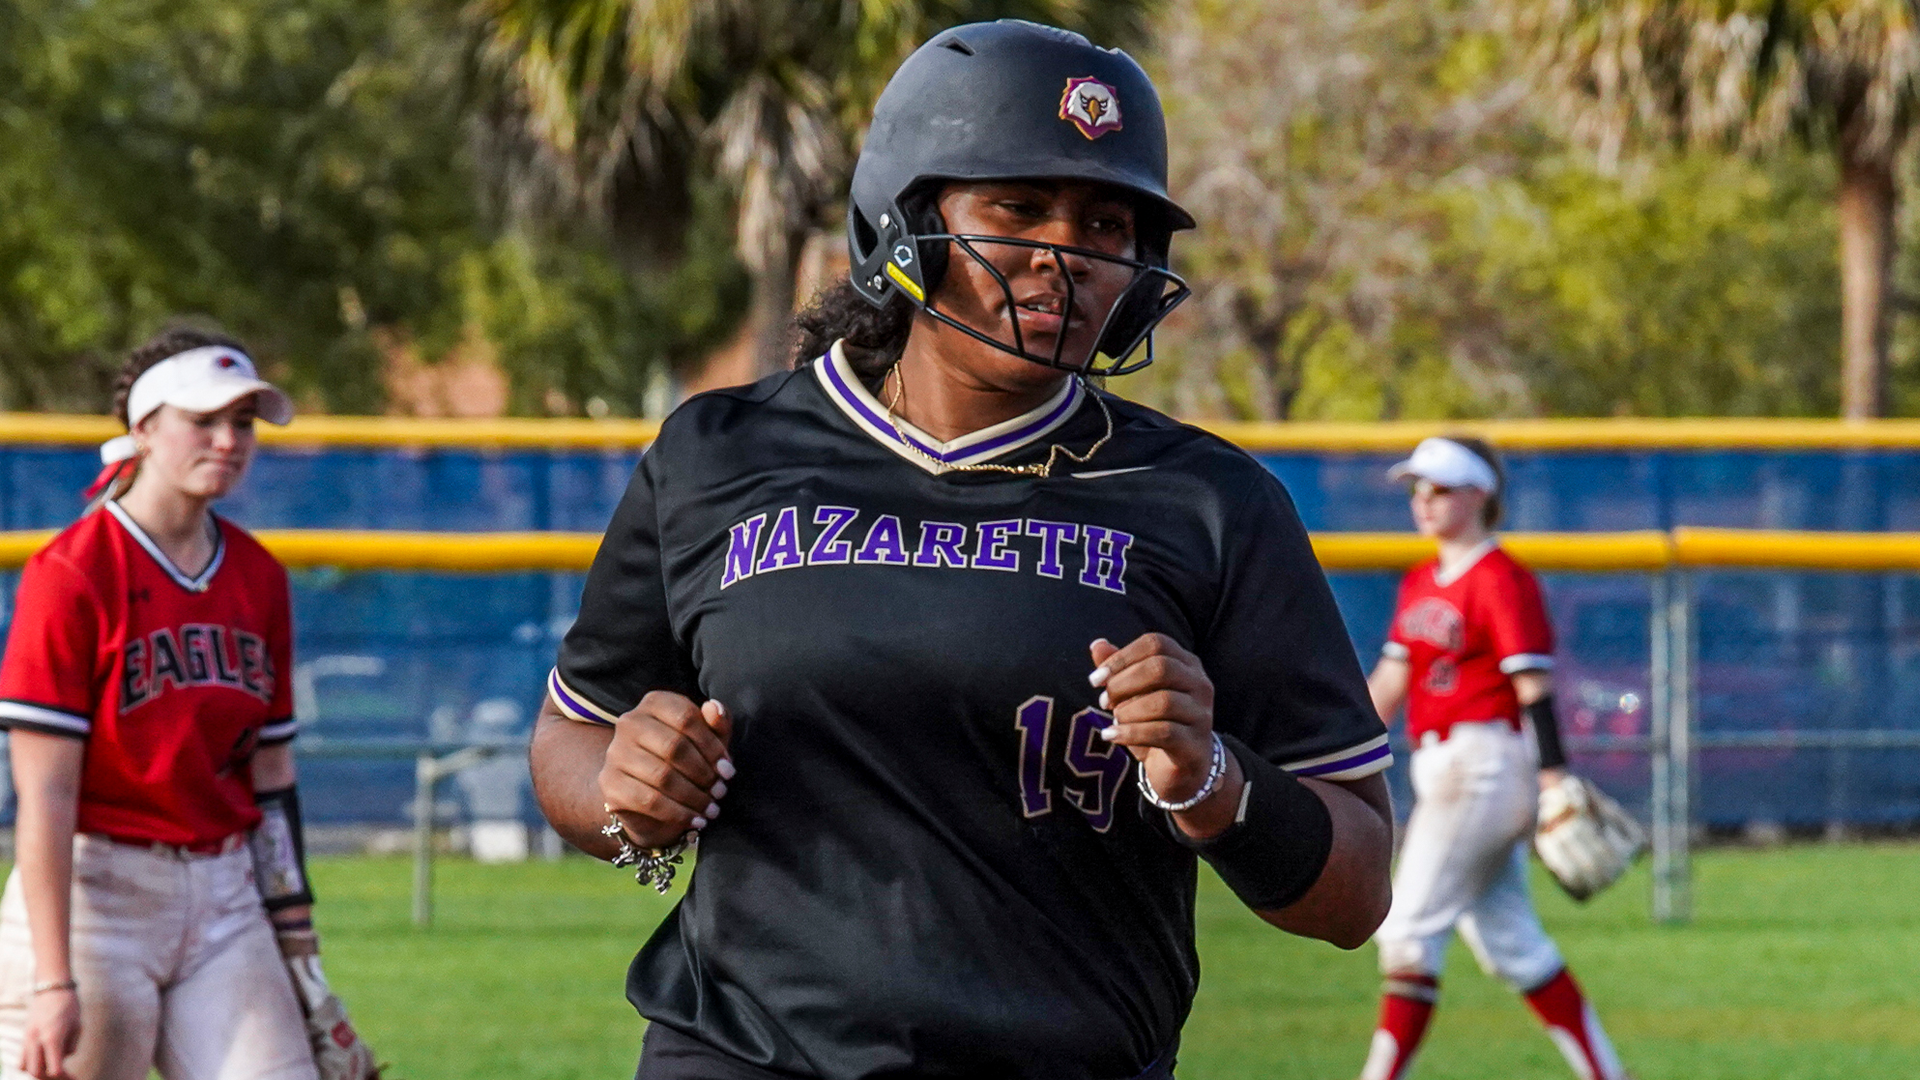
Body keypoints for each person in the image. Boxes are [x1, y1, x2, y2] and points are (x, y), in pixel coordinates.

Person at [531, 20, 1395, 1080]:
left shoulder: (1211, 502)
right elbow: (573, 736)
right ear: (904, 219)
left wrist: (1213, 779)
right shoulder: (718, 454)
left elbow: (1356, 893)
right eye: (1018, 207)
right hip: (742, 1054)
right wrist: (623, 793)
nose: (1065, 256)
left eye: (1107, 223)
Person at [0, 330, 376, 1080]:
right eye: (202, 420)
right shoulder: (71, 573)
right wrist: (51, 978)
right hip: (98, 894)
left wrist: (300, 950)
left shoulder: (258, 575)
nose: (228, 440)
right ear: (143, 429)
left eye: (243, 422)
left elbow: (271, 779)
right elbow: (45, 796)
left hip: (225, 898)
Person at [1357, 436, 1629, 1080]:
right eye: (1417, 489)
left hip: (1484, 764)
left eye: (1439, 488)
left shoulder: (1502, 578)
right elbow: (1389, 685)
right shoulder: (1420, 580)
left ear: (1480, 494)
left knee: (1407, 931)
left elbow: (1534, 688)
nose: (1423, 501)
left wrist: (1555, 779)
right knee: (1514, 945)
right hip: (1443, 769)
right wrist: (1327, 750)